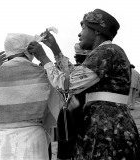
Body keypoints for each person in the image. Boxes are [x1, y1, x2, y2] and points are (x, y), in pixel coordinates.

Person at [28, 8, 140, 159]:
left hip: (106, 130)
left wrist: (44, 59)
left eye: (84, 27)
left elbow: (67, 85)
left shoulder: (106, 51)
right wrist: (55, 48)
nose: (79, 34)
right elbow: (75, 74)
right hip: (106, 125)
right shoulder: (106, 52)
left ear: (97, 31)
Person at [0, 33, 62, 160]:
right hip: (31, 139)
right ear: (29, 50)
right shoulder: (42, 73)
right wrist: (45, 58)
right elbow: (61, 90)